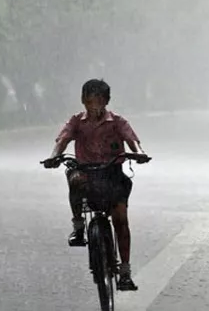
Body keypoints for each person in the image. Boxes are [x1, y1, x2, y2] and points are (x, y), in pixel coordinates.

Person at [42, 79, 150, 291]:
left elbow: (132, 140)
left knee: (120, 219)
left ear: (107, 101)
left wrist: (139, 154)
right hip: (87, 173)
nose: (95, 106)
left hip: (112, 173)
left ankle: (125, 271)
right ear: (83, 101)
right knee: (73, 177)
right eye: (90, 101)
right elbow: (62, 141)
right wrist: (54, 157)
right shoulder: (76, 121)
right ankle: (78, 226)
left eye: (99, 100)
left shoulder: (118, 121)